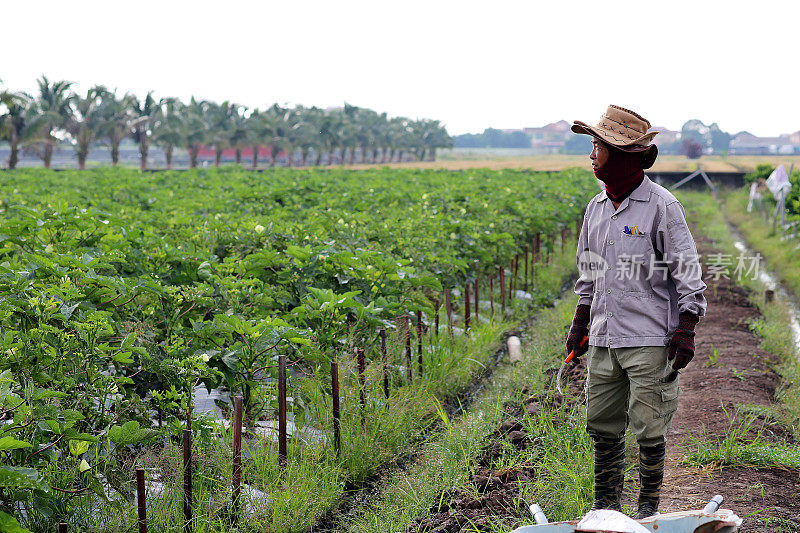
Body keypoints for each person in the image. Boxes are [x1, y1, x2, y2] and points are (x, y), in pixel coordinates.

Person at [567, 105, 707, 519]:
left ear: (623, 155)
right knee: (603, 426)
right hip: (605, 337)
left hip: (649, 338)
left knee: (649, 428)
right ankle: (605, 510)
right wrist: (581, 320)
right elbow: (590, 272)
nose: (591, 155)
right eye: (592, 146)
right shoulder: (595, 208)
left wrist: (686, 326)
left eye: (597, 147)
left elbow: (687, 271)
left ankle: (647, 512)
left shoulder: (662, 206)